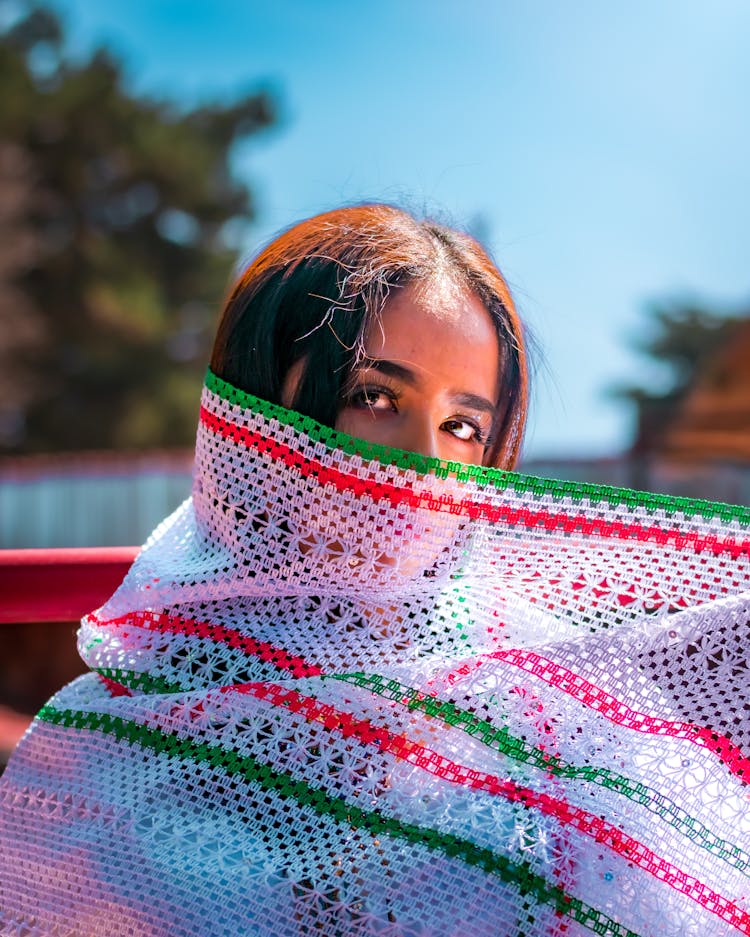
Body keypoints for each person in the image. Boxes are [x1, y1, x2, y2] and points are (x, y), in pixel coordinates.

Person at [0, 204, 748, 937]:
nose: (423, 466)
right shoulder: (116, 728)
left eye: (463, 426)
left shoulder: (549, 699)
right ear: (257, 405)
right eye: (375, 397)